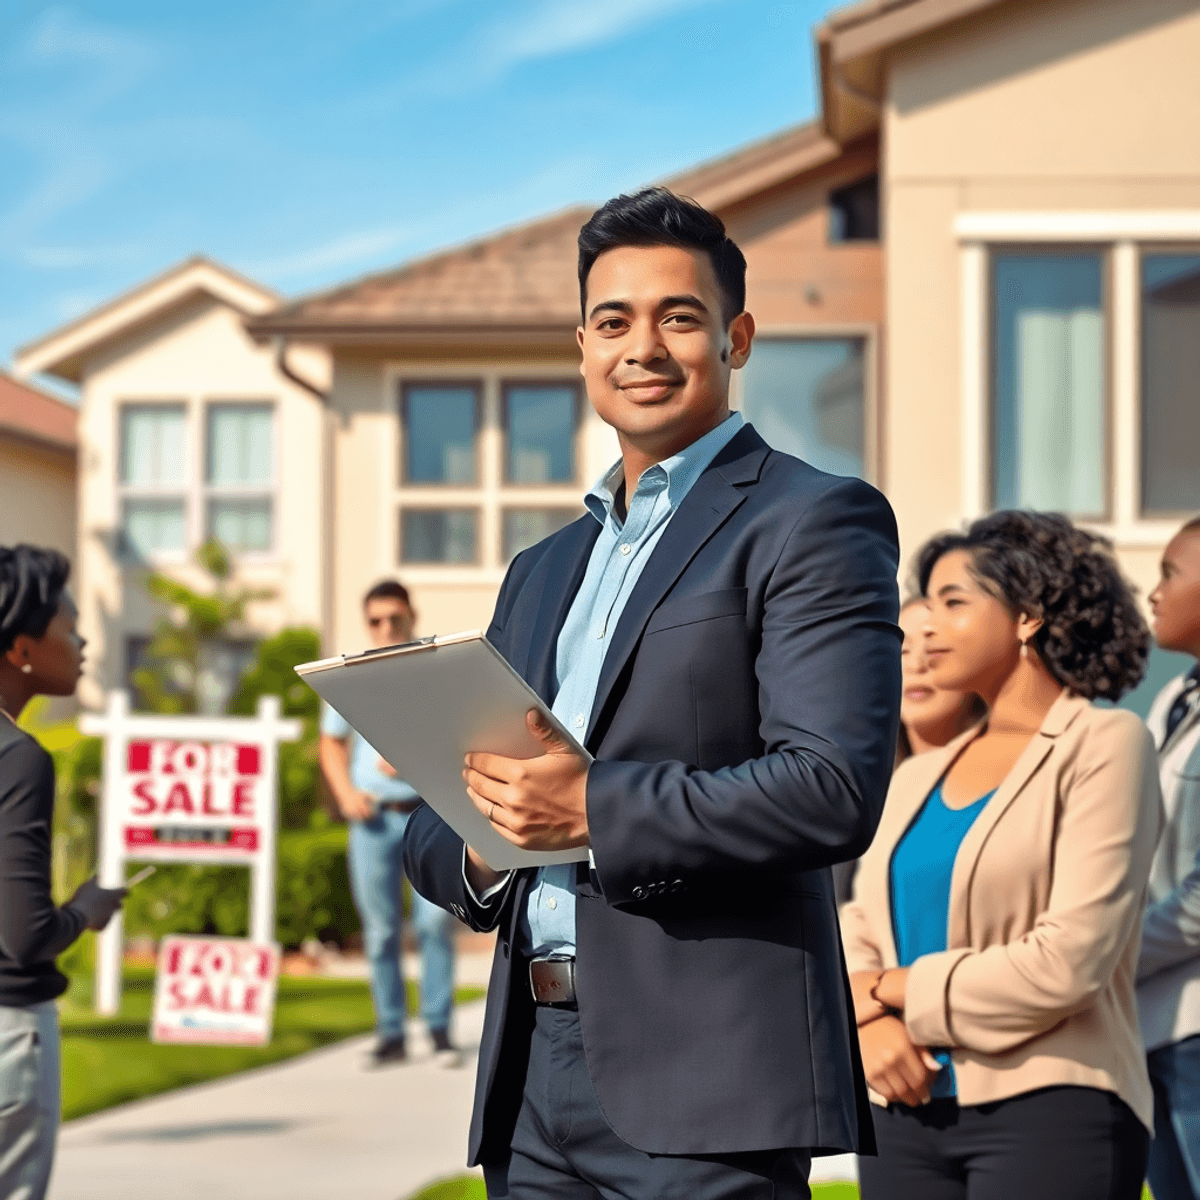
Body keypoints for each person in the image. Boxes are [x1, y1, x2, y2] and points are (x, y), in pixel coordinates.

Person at [404, 187, 902, 1199]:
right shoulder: (542, 569)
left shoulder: (814, 520)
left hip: (708, 1077)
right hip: (532, 1076)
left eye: (679, 316)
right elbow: (437, 829)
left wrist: (587, 808)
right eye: (613, 321)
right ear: (582, 346)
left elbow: (830, 786)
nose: (644, 346)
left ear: (738, 338)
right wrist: (487, 836)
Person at [841, 511, 1161, 1200]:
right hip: (904, 1114)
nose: (924, 625)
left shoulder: (1106, 744)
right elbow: (855, 928)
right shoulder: (916, 777)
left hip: (1055, 1105)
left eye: (953, 602)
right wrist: (866, 1023)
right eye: (925, 604)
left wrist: (896, 991)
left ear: (1028, 616)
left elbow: (1069, 961)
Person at [0, 545, 126, 1200]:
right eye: (70, 628)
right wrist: (88, 909)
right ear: (22, 649)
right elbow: (24, 936)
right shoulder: (19, 759)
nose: (83, 644)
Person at [318, 579, 459, 1068]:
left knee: (434, 925)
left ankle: (439, 1030)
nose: (386, 628)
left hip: (428, 814)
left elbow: (463, 739)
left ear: (411, 618)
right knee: (379, 933)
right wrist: (344, 794)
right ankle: (392, 1033)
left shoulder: (436, 674)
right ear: (367, 624)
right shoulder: (353, 676)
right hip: (373, 821)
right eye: (376, 620)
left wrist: (418, 759)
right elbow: (331, 744)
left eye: (395, 618)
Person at [833, 597, 985, 903]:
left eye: (935, 650)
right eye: (902, 651)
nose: (916, 665)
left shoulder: (1007, 781)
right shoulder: (858, 790)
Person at [1138, 515, 1200, 1200]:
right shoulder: (1173, 702)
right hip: (1153, 1024)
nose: (1154, 592)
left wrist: (1111, 951)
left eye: (1171, 573)